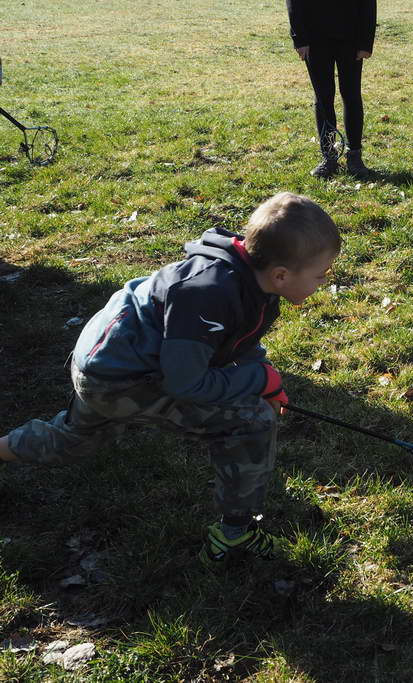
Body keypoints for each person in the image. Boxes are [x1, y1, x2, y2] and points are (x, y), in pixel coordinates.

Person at [0, 192, 340, 568]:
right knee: (251, 421)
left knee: (74, 439)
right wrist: (258, 380)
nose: (323, 281)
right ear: (282, 275)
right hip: (117, 378)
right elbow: (186, 384)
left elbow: (237, 341)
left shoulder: (251, 274)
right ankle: (234, 534)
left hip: (109, 358)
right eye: (321, 275)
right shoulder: (209, 295)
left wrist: (264, 377)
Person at [286, 0, 376, 179]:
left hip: (351, 37)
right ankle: (329, 157)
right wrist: (299, 38)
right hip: (314, 38)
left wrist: (365, 42)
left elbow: (368, 3)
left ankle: (354, 156)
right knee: (323, 98)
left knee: (351, 94)